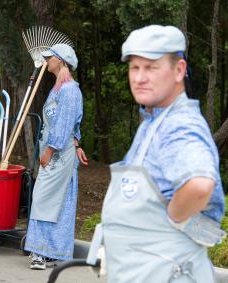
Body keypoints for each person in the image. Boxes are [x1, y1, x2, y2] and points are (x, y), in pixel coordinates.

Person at [91, 25, 226, 282]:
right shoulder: (154, 121)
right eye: (134, 67)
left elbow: (199, 185)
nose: (140, 77)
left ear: (179, 70)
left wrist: (173, 221)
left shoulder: (179, 124)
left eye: (152, 67)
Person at [24, 43, 87, 270]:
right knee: (52, 199)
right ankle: (49, 250)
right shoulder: (57, 89)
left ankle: (40, 251)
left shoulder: (69, 90)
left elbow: (65, 124)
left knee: (45, 197)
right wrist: (77, 144)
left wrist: (49, 151)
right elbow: (71, 124)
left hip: (57, 152)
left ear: (60, 60)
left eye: (50, 57)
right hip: (57, 149)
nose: (47, 61)